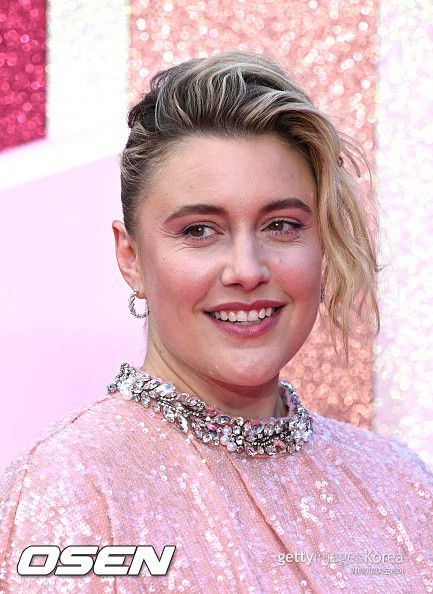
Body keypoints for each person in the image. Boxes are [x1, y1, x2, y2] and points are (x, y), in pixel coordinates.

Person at [1, 50, 432, 593]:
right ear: (131, 258)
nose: (247, 270)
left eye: (281, 225)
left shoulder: (399, 482)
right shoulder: (74, 484)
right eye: (200, 231)